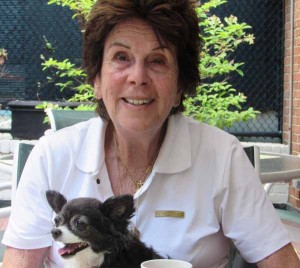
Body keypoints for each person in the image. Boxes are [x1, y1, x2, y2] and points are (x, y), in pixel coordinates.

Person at [2, 0, 300, 267]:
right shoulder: (52, 155)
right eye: (121, 57)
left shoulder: (222, 157)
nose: (138, 77)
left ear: (181, 83)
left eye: (157, 60)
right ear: (96, 78)